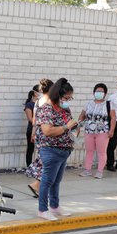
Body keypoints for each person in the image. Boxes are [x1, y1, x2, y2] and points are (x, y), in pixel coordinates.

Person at [35, 78, 78, 221]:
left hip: (64, 150)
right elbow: (47, 131)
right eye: (66, 97)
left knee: (57, 180)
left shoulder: (65, 108)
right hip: (50, 149)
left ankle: (55, 206)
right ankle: (43, 209)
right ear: (58, 95)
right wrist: (67, 127)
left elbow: (71, 124)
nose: (68, 100)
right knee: (47, 180)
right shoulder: (46, 108)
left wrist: (75, 128)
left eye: (70, 97)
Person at [78, 83, 114, 179]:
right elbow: (82, 115)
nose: (99, 93)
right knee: (89, 151)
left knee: (101, 152)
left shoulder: (109, 104)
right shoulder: (88, 103)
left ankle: (99, 171)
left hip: (103, 132)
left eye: (101, 92)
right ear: (93, 93)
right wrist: (78, 126)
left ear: (105, 94)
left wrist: (111, 130)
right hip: (89, 131)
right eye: (97, 91)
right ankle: (87, 170)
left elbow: (113, 118)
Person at [25, 78, 53, 198]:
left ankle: (39, 186)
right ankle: (37, 185)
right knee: (48, 163)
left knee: (44, 161)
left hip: (40, 135)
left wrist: (33, 134)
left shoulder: (38, 102)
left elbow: (34, 121)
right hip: (48, 135)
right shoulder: (50, 102)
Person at [23, 86, 39, 168]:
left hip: (40, 130)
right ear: (34, 93)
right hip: (32, 129)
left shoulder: (40, 103)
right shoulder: (29, 105)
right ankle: (28, 166)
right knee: (30, 148)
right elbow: (30, 119)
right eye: (38, 92)